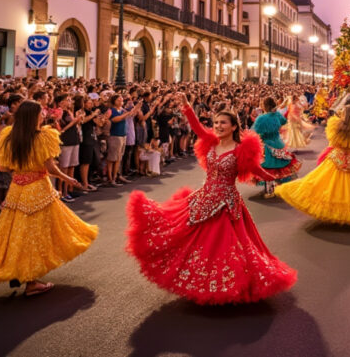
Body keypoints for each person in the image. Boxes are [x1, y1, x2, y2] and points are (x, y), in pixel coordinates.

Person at [126, 92, 296, 305]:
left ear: (234, 126)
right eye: (216, 122)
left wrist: (278, 179)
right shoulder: (210, 141)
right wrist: (187, 108)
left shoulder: (242, 149)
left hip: (227, 204)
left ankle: (227, 286)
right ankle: (200, 283)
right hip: (204, 198)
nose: (218, 126)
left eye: (223, 123)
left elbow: (256, 170)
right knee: (185, 237)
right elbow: (197, 127)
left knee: (225, 247)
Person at [0, 100, 98, 297]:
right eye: (41, 113)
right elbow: (50, 168)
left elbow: (3, 168)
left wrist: (22, 170)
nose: (44, 115)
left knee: (15, 234)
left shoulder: (8, 135)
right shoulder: (44, 137)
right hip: (39, 190)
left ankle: (21, 272)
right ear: (34, 116)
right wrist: (66, 177)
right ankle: (31, 280)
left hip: (17, 189)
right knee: (38, 235)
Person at [252, 96, 300, 198]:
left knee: (267, 168)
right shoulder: (277, 115)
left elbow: (254, 132)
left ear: (264, 106)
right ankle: (279, 186)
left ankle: (269, 191)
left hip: (266, 145)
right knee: (280, 166)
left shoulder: (261, 118)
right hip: (278, 143)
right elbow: (284, 121)